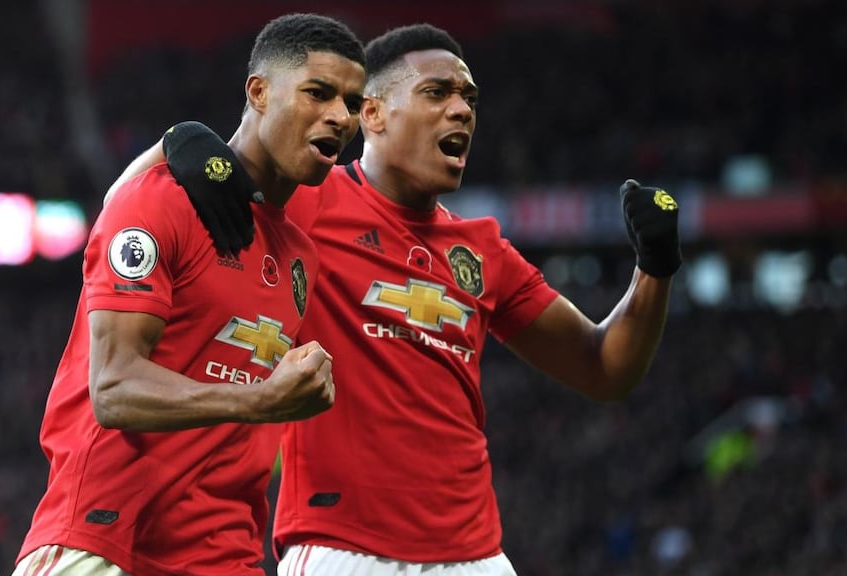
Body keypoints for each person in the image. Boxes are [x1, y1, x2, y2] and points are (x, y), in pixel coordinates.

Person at [116, 23, 680, 576]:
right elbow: (138, 207)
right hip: (342, 548)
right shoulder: (306, 202)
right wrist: (177, 141)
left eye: (469, 99)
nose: (461, 110)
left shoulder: (483, 250)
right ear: (373, 114)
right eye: (437, 93)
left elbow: (605, 368)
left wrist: (653, 270)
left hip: (478, 556)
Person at [13, 14, 366, 576]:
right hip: (107, 542)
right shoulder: (161, 200)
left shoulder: (302, 253)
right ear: (258, 92)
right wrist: (260, 401)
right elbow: (114, 389)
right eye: (318, 93)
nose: (340, 117)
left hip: (224, 555)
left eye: (351, 103)